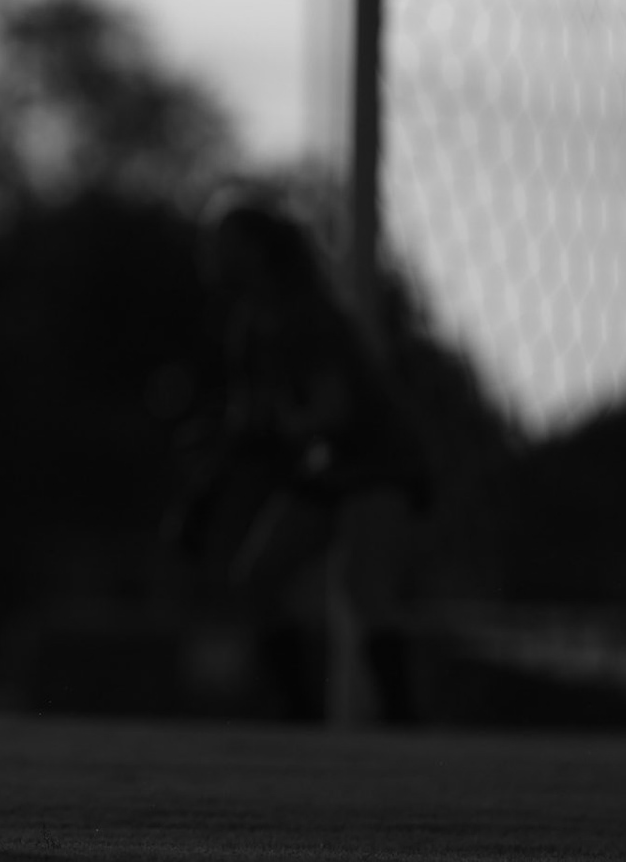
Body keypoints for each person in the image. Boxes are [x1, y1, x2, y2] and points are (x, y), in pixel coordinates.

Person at [170, 187, 431, 724]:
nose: (210, 254)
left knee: (364, 582)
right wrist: (203, 495)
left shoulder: (309, 316)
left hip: (378, 460)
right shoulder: (249, 330)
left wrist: (273, 428)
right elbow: (251, 425)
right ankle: (300, 718)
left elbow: (332, 412)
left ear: (256, 250)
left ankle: (404, 723)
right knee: (259, 576)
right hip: (330, 466)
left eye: (222, 243)